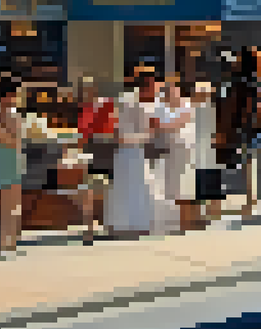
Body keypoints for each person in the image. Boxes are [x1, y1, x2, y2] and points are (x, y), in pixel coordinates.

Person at [105, 67, 161, 237]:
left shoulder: (123, 100)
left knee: (123, 187)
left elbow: (115, 130)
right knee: (138, 187)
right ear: (148, 84)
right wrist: (151, 132)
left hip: (122, 152)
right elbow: (146, 133)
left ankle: (118, 223)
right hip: (134, 151)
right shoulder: (140, 106)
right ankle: (137, 223)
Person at [76, 80, 117, 245]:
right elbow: (83, 133)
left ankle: (109, 225)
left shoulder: (107, 105)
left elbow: (111, 126)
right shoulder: (85, 109)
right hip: (92, 151)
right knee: (89, 192)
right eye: (83, 90)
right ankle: (89, 230)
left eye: (87, 89)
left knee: (108, 191)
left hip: (106, 150)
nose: (86, 92)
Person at [0, 79, 25, 260]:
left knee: (6, 204)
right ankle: (8, 243)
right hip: (10, 158)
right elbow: (15, 141)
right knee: (11, 204)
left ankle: (6, 242)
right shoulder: (10, 114)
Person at [157, 83, 196, 234]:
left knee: (184, 188)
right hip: (167, 152)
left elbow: (180, 122)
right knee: (168, 188)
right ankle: (172, 222)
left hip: (185, 151)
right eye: (168, 93)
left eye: (174, 92)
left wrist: (165, 126)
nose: (171, 95)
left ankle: (186, 222)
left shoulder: (187, 105)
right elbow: (158, 126)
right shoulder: (160, 107)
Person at [190, 82, 223, 227]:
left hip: (211, 154)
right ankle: (198, 217)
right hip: (196, 153)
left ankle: (214, 215)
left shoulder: (215, 109)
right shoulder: (191, 109)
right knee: (196, 188)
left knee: (212, 185)